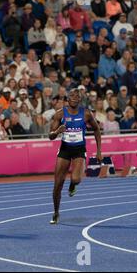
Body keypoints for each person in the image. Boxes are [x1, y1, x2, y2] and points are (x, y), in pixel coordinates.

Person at [48, 89, 102, 224]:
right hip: (65, 150)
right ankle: (55, 213)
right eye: (71, 96)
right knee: (57, 186)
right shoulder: (60, 114)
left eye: (77, 96)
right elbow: (50, 136)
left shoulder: (86, 114)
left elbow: (96, 129)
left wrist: (99, 150)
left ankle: (72, 185)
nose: (74, 98)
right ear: (67, 98)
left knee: (76, 179)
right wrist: (57, 132)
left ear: (80, 99)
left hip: (79, 150)